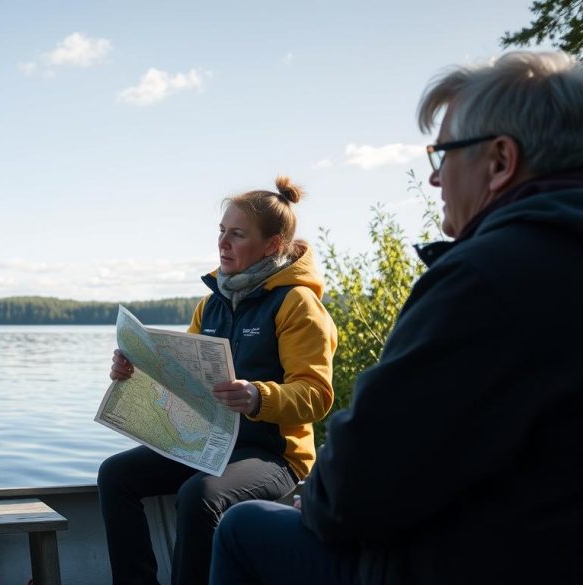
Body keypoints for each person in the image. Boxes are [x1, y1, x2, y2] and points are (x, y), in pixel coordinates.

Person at [209, 50, 583, 585]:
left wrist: (307, 499)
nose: (435, 181)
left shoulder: (485, 278)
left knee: (244, 527)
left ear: (500, 161)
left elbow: (357, 484)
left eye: (445, 155)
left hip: (485, 559)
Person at [97, 176, 337, 585]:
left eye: (237, 234)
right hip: (210, 446)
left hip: (274, 456)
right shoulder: (210, 305)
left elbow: (316, 395)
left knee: (199, 496)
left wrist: (258, 396)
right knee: (115, 475)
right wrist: (134, 368)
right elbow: (179, 377)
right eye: (221, 232)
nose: (223, 243)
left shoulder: (297, 303)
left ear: (272, 245)